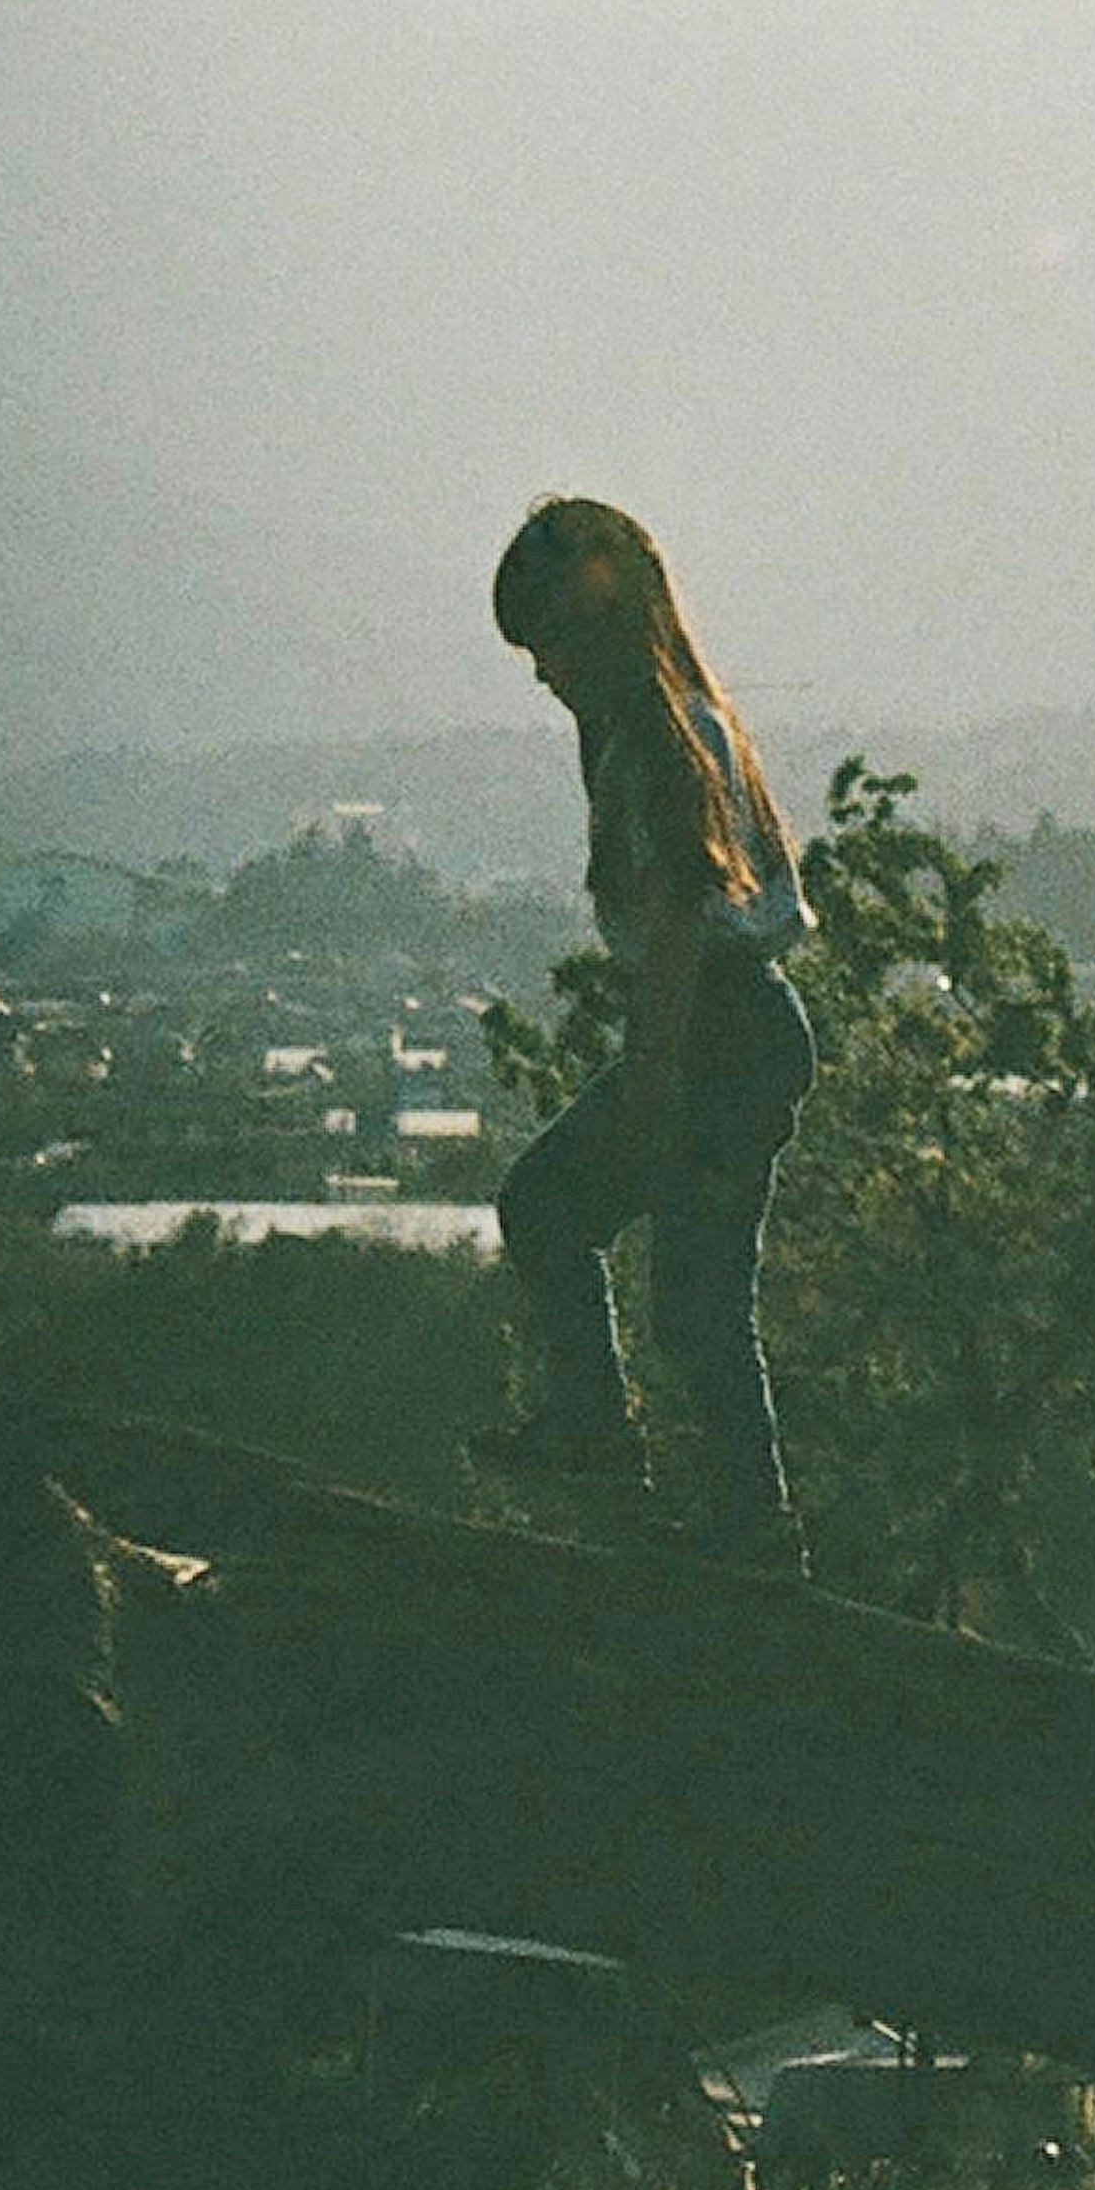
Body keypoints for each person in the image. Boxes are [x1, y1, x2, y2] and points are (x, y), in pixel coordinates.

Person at [476, 495, 818, 1575]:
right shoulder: (675, 724)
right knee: (671, 1284)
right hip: (737, 1030)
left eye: (550, 645)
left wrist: (654, 1087)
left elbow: (676, 929)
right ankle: (643, 1461)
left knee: (682, 1294)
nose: (542, 674)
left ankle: (730, 1515)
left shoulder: (659, 741)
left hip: (716, 1031)